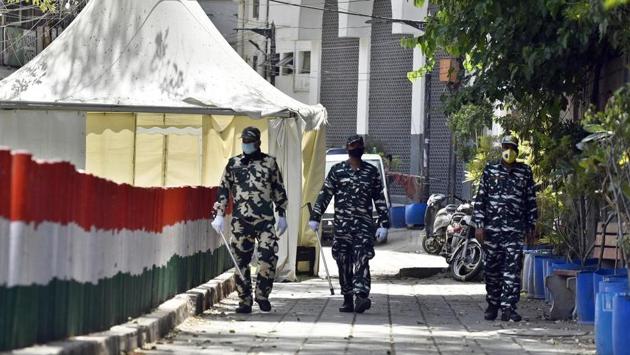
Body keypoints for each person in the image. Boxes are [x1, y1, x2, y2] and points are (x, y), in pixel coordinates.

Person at [308, 135, 390, 313]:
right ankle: (347, 297)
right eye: (353, 146)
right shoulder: (337, 171)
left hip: (363, 227)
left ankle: (361, 296)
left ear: (362, 149)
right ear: (348, 148)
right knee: (343, 261)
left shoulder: (371, 172)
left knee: (362, 260)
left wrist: (384, 223)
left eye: (358, 146)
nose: (355, 149)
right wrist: (315, 217)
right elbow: (325, 194)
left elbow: (379, 198)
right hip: (342, 227)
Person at [211, 126, 288, 314]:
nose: (246, 145)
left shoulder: (270, 163)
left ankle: (262, 295)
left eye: (249, 142)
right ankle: (244, 300)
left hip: (265, 221)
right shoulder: (233, 164)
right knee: (240, 261)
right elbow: (223, 189)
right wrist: (219, 214)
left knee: (268, 257)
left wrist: (282, 214)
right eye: (244, 142)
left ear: (258, 143)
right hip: (241, 221)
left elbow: (278, 188)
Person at [473, 135, 537, 322]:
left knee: (512, 270)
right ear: (501, 149)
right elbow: (481, 199)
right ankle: (493, 304)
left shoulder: (525, 172)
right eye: (505, 147)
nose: (508, 151)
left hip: (515, 230)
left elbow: (530, 199)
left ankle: (509, 308)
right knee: (492, 269)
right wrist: (479, 225)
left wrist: (531, 224)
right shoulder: (490, 170)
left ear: (517, 151)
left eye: (512, 147)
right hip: (492, 230)